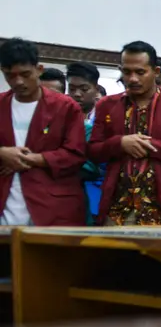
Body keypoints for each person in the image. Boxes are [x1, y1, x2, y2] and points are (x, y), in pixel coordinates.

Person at [89, 41, 161, 225]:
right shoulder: (106, 105)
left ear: (155, 72)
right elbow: (93, 151)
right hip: (117, 210)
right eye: (127, 72)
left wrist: (152, 146)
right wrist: (120, 143)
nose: (132, 79)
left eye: (140, 72)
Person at [0, 39, 87, 225]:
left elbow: (76, 154)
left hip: (50, 206)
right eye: (10, 76)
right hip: (5, 203)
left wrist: (33, 159)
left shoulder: (65, 107)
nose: (18, 82)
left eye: (25, 74)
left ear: (39, 69)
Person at [67, 62, 105, 223]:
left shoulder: (104, 121)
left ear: (96, 89)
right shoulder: (58, 121)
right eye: (72, 89)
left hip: (97, 196)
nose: (77, 94)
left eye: (83, 89)